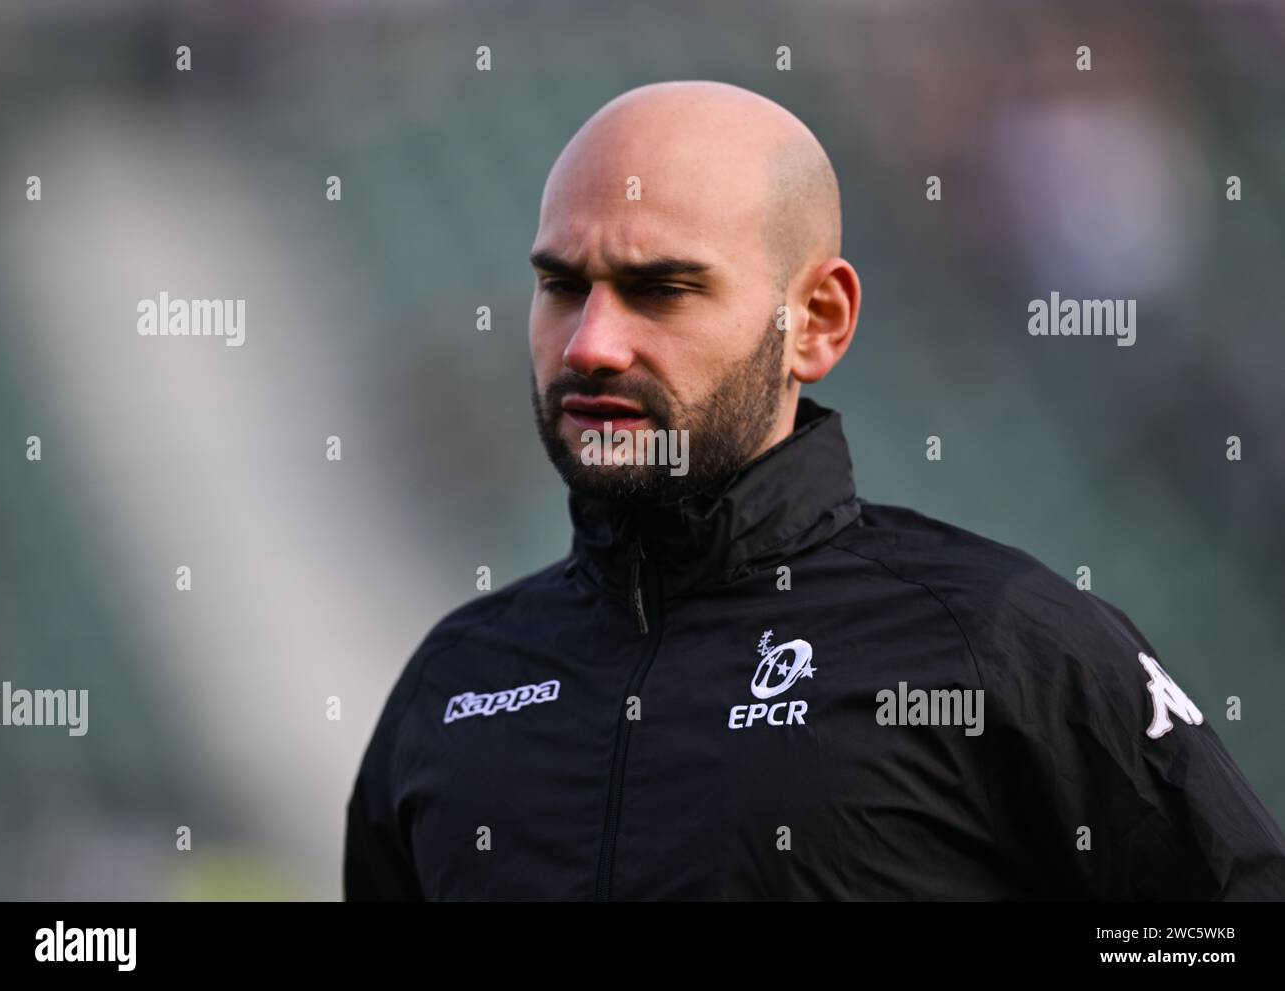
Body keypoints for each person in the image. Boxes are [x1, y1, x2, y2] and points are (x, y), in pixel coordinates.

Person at [344, 80, 1285, 900]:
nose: (591, 344)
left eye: (663, 288)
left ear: (817, 323)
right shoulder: (455, 686)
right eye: (562, 286)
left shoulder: (1009, 643)